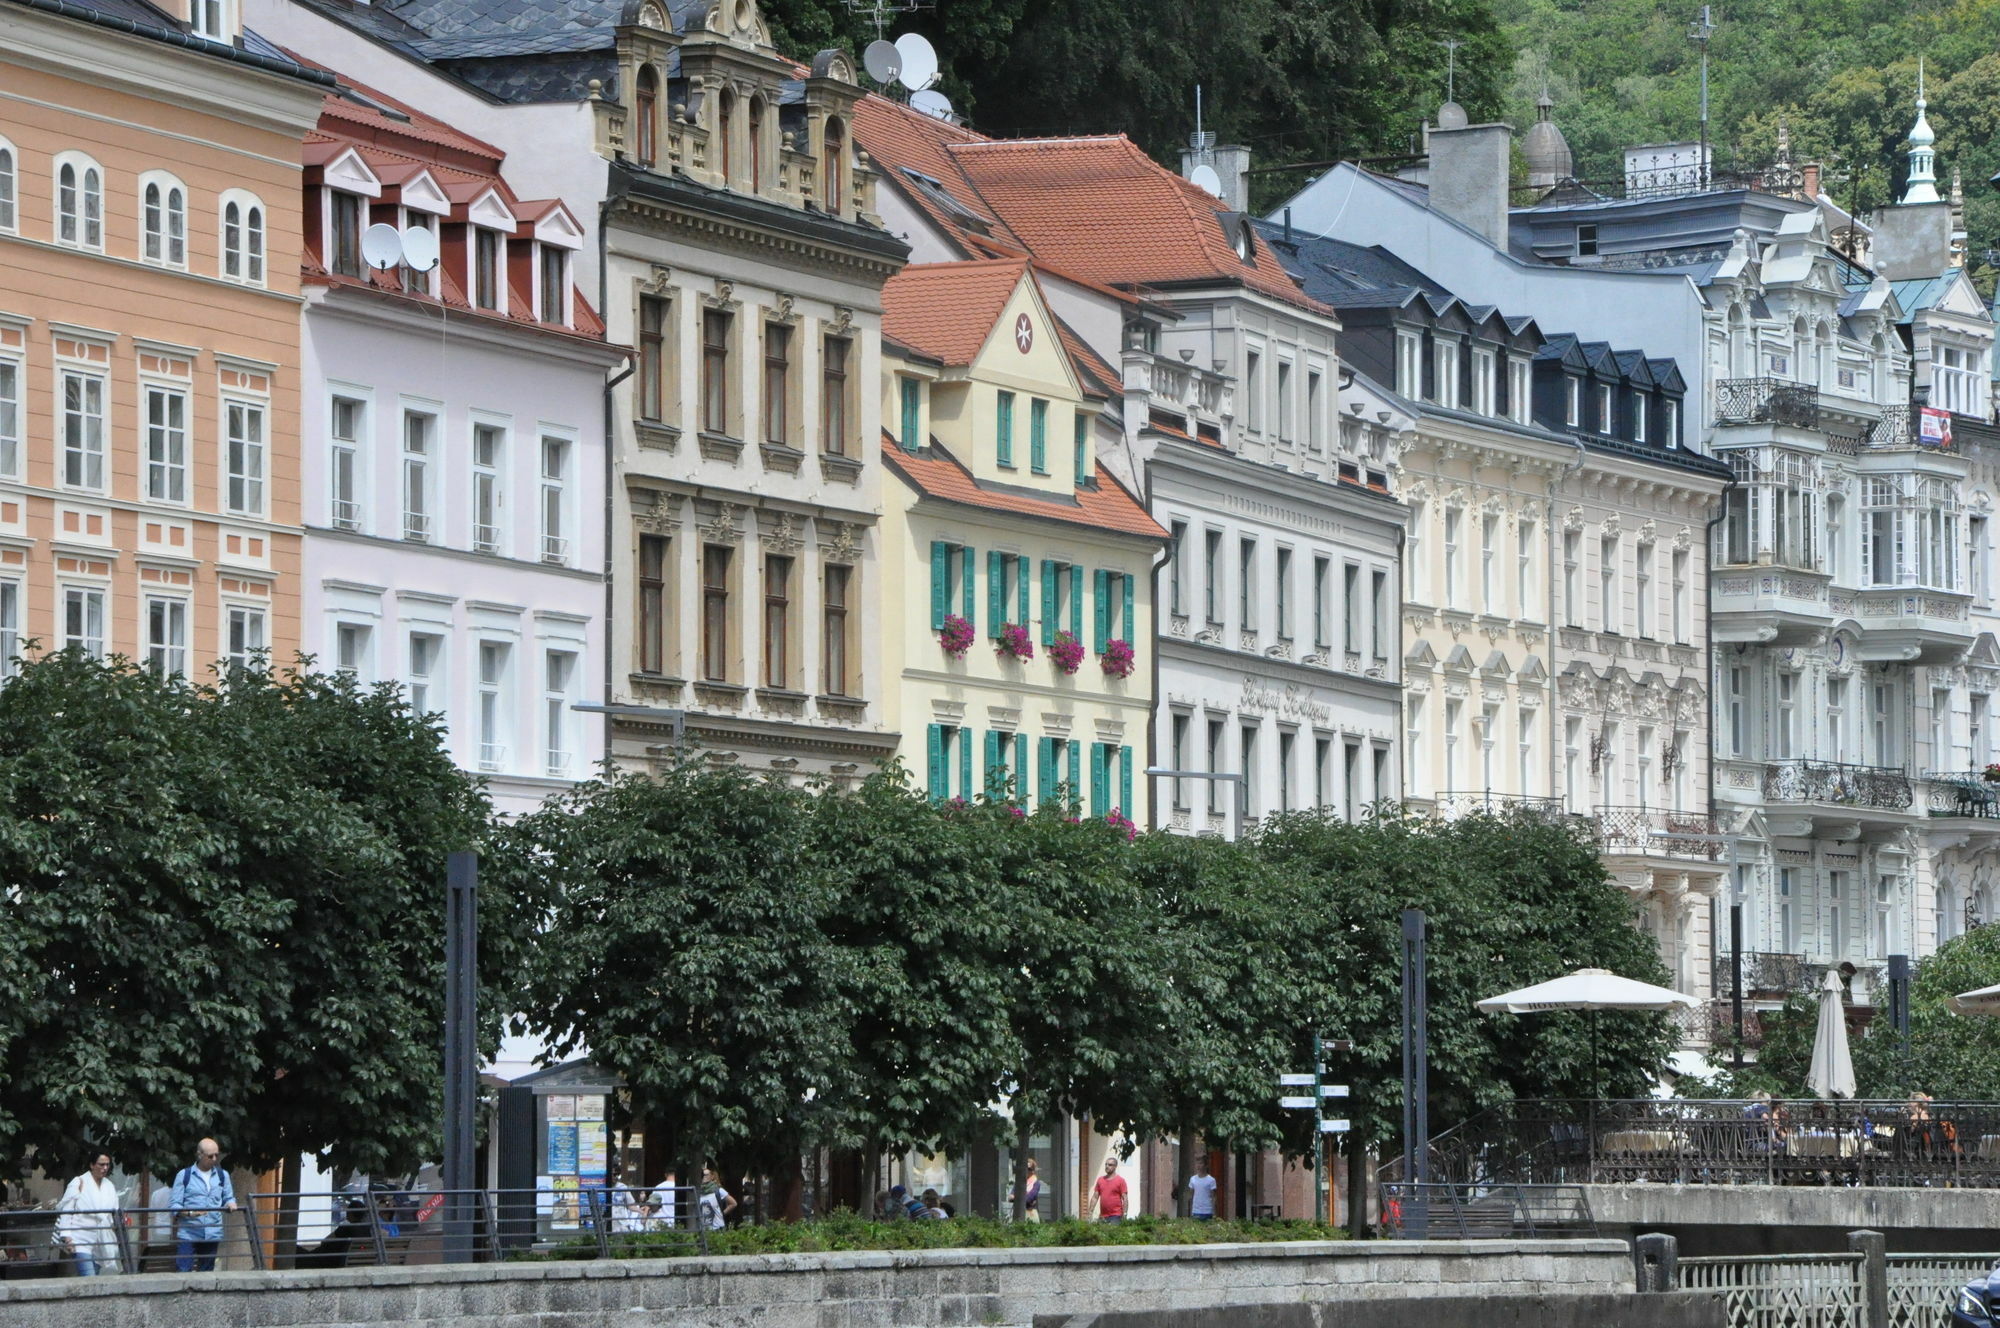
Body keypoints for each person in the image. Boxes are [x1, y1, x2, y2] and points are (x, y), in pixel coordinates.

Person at [170, 1139, 237, 1272]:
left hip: (212, 1232)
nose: (214, 1159)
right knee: (183, 1270)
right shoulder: (184, 1175)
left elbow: (228, 1197)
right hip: (189, 1232)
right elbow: (174, 1205)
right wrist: (190, 1213)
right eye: (210, 1156)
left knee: (207, 1272)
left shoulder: (223, 1175)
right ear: (199, 1155)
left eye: (217, 1155)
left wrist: (230, 1203)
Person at [53, 1152, 121, 1276]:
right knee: (89, 1278)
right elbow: (67, 1211)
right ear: (92, 1165)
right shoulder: (78, 1182)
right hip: (80, 1239)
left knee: (90, 1280)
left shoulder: (109, 1186)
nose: (105, 1168)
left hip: (100, 1241)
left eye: (107, 1165)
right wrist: (67, 1238)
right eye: (101, 1164)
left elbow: (113, 1213)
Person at [1087, 1155, 1127, 1224]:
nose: (1107, 1166)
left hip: (1116, 1216)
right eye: (1106, 1164)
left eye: (1110, 1165)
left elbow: (1125, 1198)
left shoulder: (1120, 1181)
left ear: (1115, 1167)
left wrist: (1125, 1214)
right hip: (1103, 1216)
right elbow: (1095, 1197)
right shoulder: (1100, 1180)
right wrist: (1090, 1212)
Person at [697, 1166, 736, 1232]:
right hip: (703, 1230)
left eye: (706, 1175)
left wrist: (722, 1213)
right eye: (702, 1175)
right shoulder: (699, 1192)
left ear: (712, 1177)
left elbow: (733, 1203)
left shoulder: (719, 1190)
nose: (704, 1176)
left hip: (718, 1229)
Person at [1186, 1155, 1217, 1222]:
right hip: (1196, 1211)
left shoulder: (1211, 1180)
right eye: (1197, 1163)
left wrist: (1214, 1213)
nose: (1198, 1166)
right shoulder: (1193, 1179)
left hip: (1207, 1211)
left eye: (1201, 1163)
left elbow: (1213, 1197)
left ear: (1206, 1165)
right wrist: (1189, 1211)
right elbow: (1190, 1196)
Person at [1018, 1159, 1042, 1223]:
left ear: (1033, 1171)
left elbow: (1029, 1199)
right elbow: (1010, 1197)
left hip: (1031, 1213)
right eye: (1025, 1169)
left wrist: (1017, 1198)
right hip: (1019, 1213)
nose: (1027, 1171)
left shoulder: (1036, 1183)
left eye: (1029, 1169)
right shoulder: (1019, 1182)